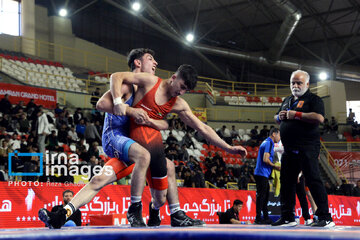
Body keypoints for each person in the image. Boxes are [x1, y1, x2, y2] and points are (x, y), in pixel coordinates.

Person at [38, 48, 202, 229]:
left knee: (158, 184)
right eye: (151, 59)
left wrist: (156, 122)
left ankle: (60, 216)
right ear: (138, 63)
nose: (155, 63)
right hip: (118, 140)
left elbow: (163, 123)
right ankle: (134, 209)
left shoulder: (149, 90)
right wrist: (129, 109)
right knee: (132, 163)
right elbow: (101, 103)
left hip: (134, 145)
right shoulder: (126, 86)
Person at [110, 64, 247, 227]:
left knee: (161, 197)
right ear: (174, 77)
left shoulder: (178, 104)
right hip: (132, 137)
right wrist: (118, 102)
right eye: (182, 87)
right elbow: (116, 76)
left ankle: (161, 211)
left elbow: (202, 127)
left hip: (153, 142)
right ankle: (138, 210)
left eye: (185, 90)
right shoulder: (150, 81)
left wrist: (228, 148)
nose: (181, 92)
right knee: (149, 158)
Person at [272, 70, 334, 227]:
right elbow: (277, 116)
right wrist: (280, 117)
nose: (295, 85)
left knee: (313, 181)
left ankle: (325, 217)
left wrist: (296, 115)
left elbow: (319, 118)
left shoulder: (314, 99)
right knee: (286, 182)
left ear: (307, 84)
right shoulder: (287, 100)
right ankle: (288, 217)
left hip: (307, 147)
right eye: (293, 82)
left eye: (299, 82)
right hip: (289, 149)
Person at [254, 127, 281, 224]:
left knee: (265, 196)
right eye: (279, 135)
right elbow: (266, 159)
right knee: (262, 196)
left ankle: (265, 217)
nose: (280, 137)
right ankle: (258, 218)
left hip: (262, 173)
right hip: (262, 173)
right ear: (274, 134)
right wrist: (275, 166)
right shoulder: (269, 143)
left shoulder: (266, 142)